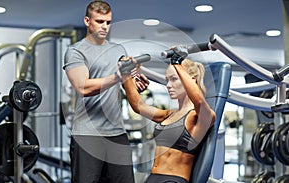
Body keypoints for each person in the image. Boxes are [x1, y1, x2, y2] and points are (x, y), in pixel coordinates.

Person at [63, 1, 149, 182]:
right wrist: (118, 76)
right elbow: (83, 87)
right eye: (100, 21)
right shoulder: (76, 51)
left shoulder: (118, 50)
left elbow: (127, 83)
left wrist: (135, 82)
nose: (105, 26)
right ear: (87, 21)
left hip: (117, 133)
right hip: (87, 135)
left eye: (108, 22)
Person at [120, 55, 216, 183]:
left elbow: (198, 101)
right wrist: (126, 74)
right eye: (167, 80)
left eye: (174, 79)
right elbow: (139, 106)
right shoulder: (169, 115)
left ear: (190, 80)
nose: (168, 85)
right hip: (152, 178)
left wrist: (177, 63)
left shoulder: (200, 117)